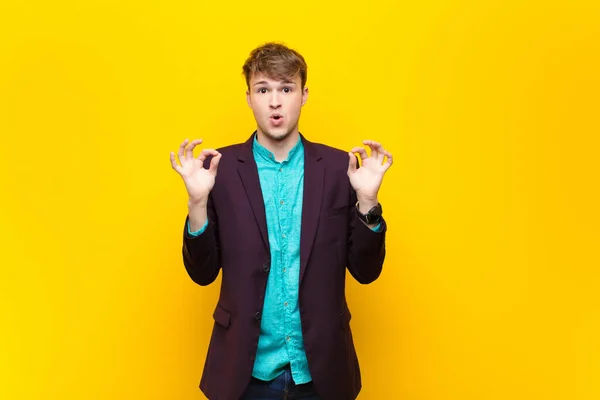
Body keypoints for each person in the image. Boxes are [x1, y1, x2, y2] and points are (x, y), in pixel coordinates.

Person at [170, 42, 393, 400]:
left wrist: (367, 201)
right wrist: (198, 202)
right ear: (249, 98)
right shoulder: (218, 171)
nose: (275, 102)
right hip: (242, 376)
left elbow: (366, 271)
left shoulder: (341, 169)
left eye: (286, 89)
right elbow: (202, 273)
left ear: (303, 95)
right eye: (264, 90)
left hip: (323, 374)